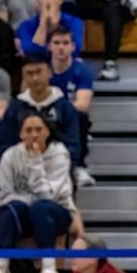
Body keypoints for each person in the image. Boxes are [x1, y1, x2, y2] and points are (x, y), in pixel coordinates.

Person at [0, 113, 76, 273]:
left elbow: (49, 196)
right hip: (23, 212)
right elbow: (4, 195)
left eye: (38, 129)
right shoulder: (10, 155)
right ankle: (1, 266)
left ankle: (48, 266)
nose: (34, 135)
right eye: (28, 130)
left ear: (47, 132)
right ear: (21, 134)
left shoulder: (59, 153)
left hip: (56, 211)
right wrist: (26, 203)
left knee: (40, 207)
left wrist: (36, 164)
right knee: (11, 209)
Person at [0, 53, 86, 186]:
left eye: (39, 72)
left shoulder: (64, 106)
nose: (35, 78)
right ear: (23, 76)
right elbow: (5, 145)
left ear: (49, 72)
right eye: (29, 74)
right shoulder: (16, 107)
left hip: (58, 170)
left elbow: (73, 145)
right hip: (22, 171)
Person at [48, 26, 94, 168]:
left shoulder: (82, 70)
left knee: (80, 117)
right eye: (56, 43)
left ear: (73, 46)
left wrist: (59, 107)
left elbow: (83, 105)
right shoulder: (42, 69)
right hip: (44, 115)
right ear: (49, 46)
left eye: (65, 43)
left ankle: (78, 167)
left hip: (69, 117)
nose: (61, 47)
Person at [16, 0, 85, 59]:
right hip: (38, 66)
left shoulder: (74, 21)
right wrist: (43, 24)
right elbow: (29, 52)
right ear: (37, 1)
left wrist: (54, 25)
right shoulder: (25, 25)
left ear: (60, 0)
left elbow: (75, 50)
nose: (48, 0)